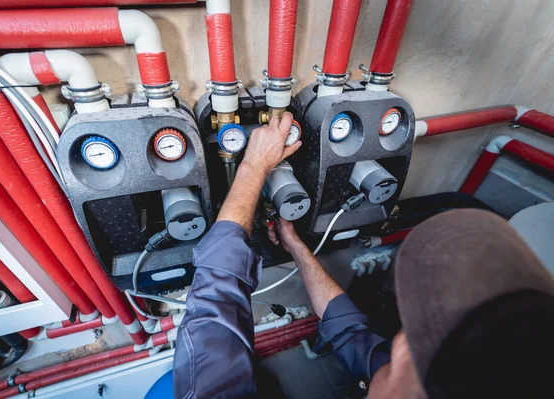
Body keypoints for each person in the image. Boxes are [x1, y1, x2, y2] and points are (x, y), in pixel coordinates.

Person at [173, 113, 554, 398]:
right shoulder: (407, 376)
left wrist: (254, 166)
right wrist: (294, 245)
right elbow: (349, 329)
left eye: (417, 343)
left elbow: (213, 310)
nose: (402, 342)